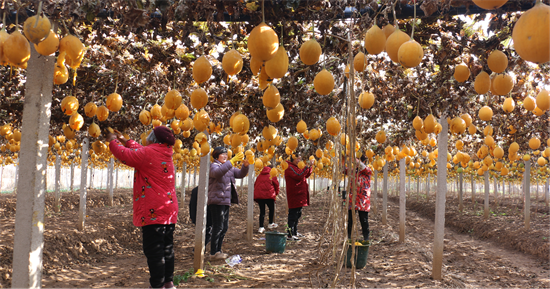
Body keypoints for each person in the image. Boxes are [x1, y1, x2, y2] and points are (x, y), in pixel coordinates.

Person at [107, 126, 178, 289]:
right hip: (168, 210)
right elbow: (141, 150)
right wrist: (128, 141)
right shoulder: (164, 152)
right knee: (167, 248)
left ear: (153, 138)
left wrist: (113, 141)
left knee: (154, 251)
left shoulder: (148, 153)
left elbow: (125, 155)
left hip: (154, 210)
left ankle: (157, 286)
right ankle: (168, 284)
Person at [208, 147, 249, 260]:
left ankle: (218, 250)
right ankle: (213, 253)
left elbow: (240, 174)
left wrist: (245, 166)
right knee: (218, 226)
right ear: (216, 156)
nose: (225, 156)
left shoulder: (229, 168)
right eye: (222, 154)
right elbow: (217, 173)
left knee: (224, 227)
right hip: (216, 201)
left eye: (226, 154)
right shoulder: (213, 166)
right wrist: (231, 161)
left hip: (225, 201)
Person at [284, 155, 314, 241]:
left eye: (300, 159)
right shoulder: (289, 167)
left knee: (298, 213)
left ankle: (295, 232)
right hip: (294, 194)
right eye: (297, 159)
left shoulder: (297, 167)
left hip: (299, 194)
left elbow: (306, 175)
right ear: (292, 158)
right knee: (293, 214)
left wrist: (310, 167)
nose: (299, 160)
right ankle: (289, 234)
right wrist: (306, 167)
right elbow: (298, 175)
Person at [344, 155, 373, 241]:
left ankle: (366, 238)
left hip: (362, 201)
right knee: (350, 220)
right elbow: (342, 169)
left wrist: (355, 158)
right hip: (352, 199)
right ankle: (348, 238)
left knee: (364, 220)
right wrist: (342, 159)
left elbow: (362, 166)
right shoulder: (352, 171)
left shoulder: (368, 171)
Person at [254, 165, 280, 233]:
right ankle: (270, 223)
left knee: (262, 211)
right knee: (271, 209)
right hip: (269, 195)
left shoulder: (260, 175)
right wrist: (276, 193)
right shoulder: (272, 174)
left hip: (260, 196)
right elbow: (276, 185)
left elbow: (255, 184)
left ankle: (261, 227)